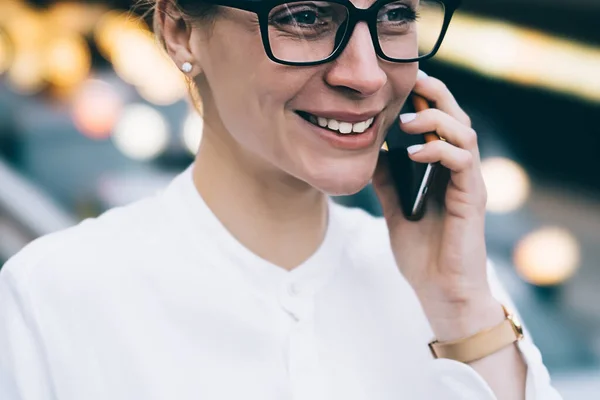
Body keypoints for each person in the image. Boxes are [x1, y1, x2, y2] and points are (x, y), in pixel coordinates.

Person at [0, 0, 562, 399]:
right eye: (305, 17)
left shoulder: (459, 289)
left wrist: (462, 308)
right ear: (180, 31)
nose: (366, 75)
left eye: (395, 15)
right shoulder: (52, 297)